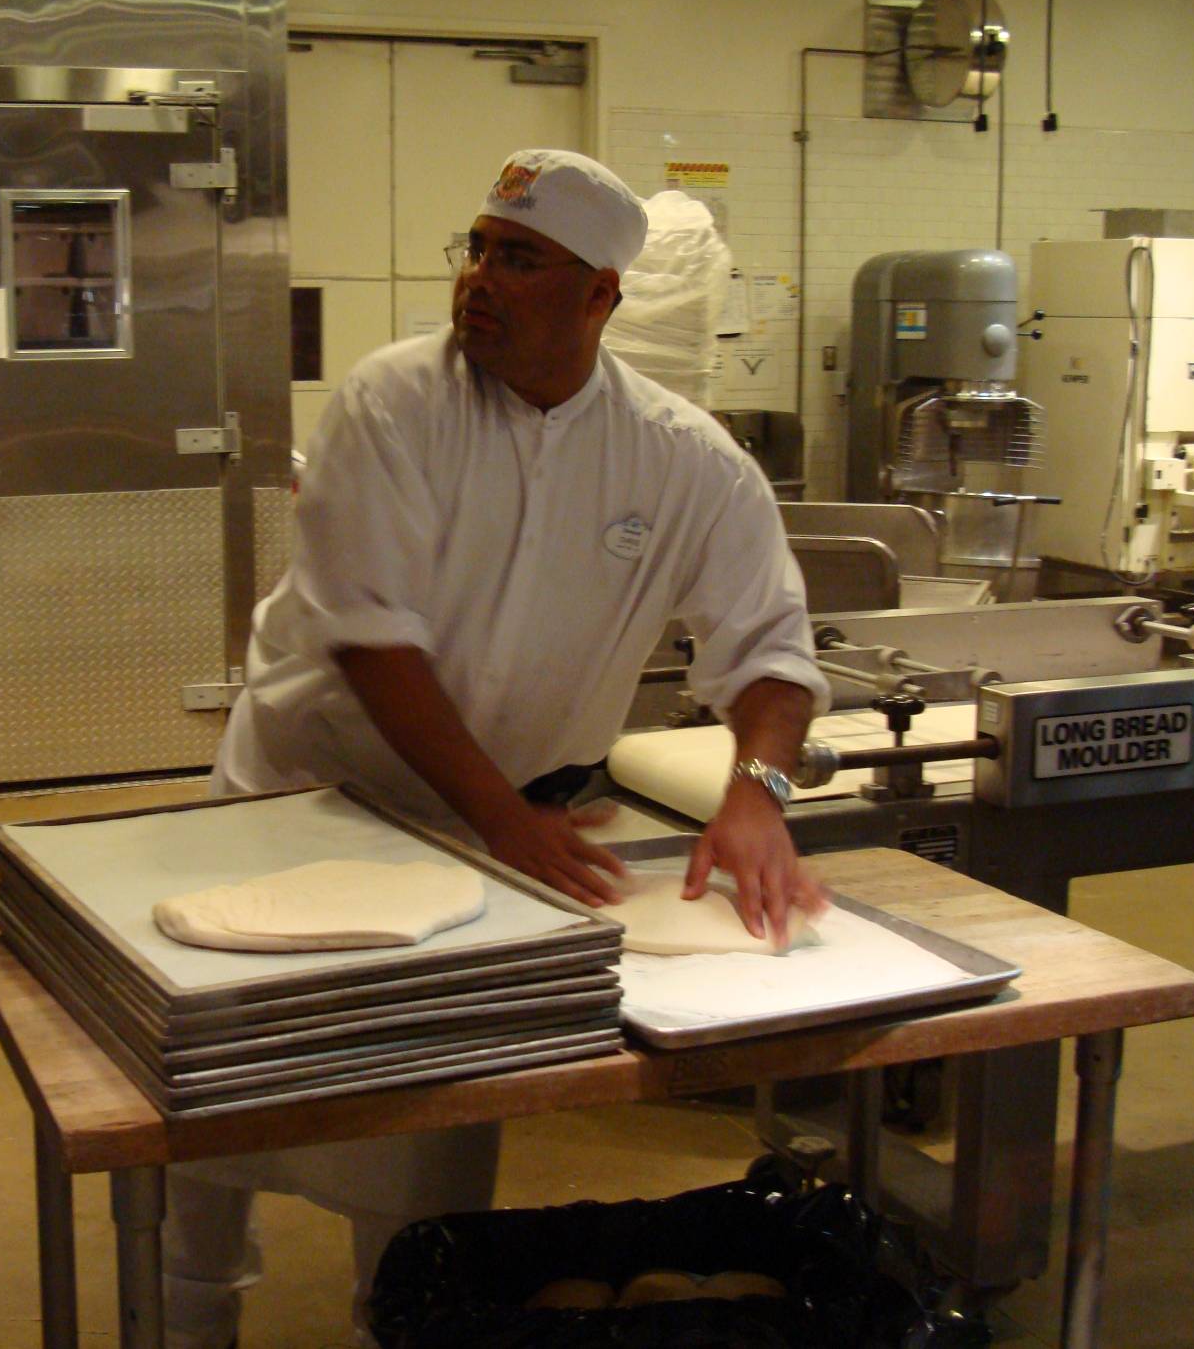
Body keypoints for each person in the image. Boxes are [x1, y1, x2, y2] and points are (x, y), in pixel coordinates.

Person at [162, 148, 831, 1349]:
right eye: (474, 248)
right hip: (300, 802)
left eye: (517, 258)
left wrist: (759, 795)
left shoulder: (684, 460)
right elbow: (373, 644)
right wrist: (502, 820)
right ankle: (186, 1317)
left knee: (422, 1146)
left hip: (489, 836)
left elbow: (772, 653)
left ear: (599, 296)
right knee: (219, 1123)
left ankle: (395, 1316)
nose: (479, 278)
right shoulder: (391, 401)